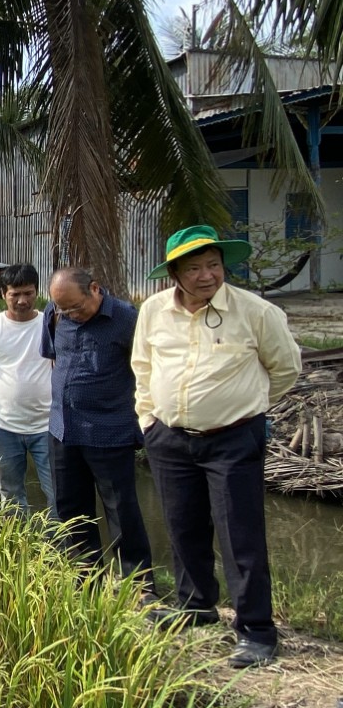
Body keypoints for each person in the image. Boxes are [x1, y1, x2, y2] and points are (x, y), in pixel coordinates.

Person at [132, 225, 301, 669]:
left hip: (232, 439)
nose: (207, 275)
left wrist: (246, 409)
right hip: (168, 438)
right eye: (195, 268)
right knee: (183, 525)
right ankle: (196, 606)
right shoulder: (153, 311)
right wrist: (148, 421)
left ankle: (257, 630)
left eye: (213, 265)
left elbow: (285, 369)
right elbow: (142, 367)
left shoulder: (255, 312)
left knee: (239, 535)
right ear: (174, 274)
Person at [43, 267, 157, 594]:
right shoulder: (55, 311)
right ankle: (87, 581)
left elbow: (147, 368)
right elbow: (55, 357)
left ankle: (139, 587)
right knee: (71, 511)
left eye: (76, 308)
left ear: (95, 289)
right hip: (63, 429)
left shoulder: (125, 319)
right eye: (63, 310)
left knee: (121, 511)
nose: (69, 315)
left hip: (110, 430)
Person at [0, 263, 55, 517]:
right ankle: (20, 549)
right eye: (14, 294)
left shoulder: (50, 325)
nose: (22, 300)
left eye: (28, 293)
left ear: (37, 292)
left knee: (57, 493)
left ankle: (59, 550)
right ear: (3, 294)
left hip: (48, 426)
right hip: (3, 426)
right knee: (11, 494)